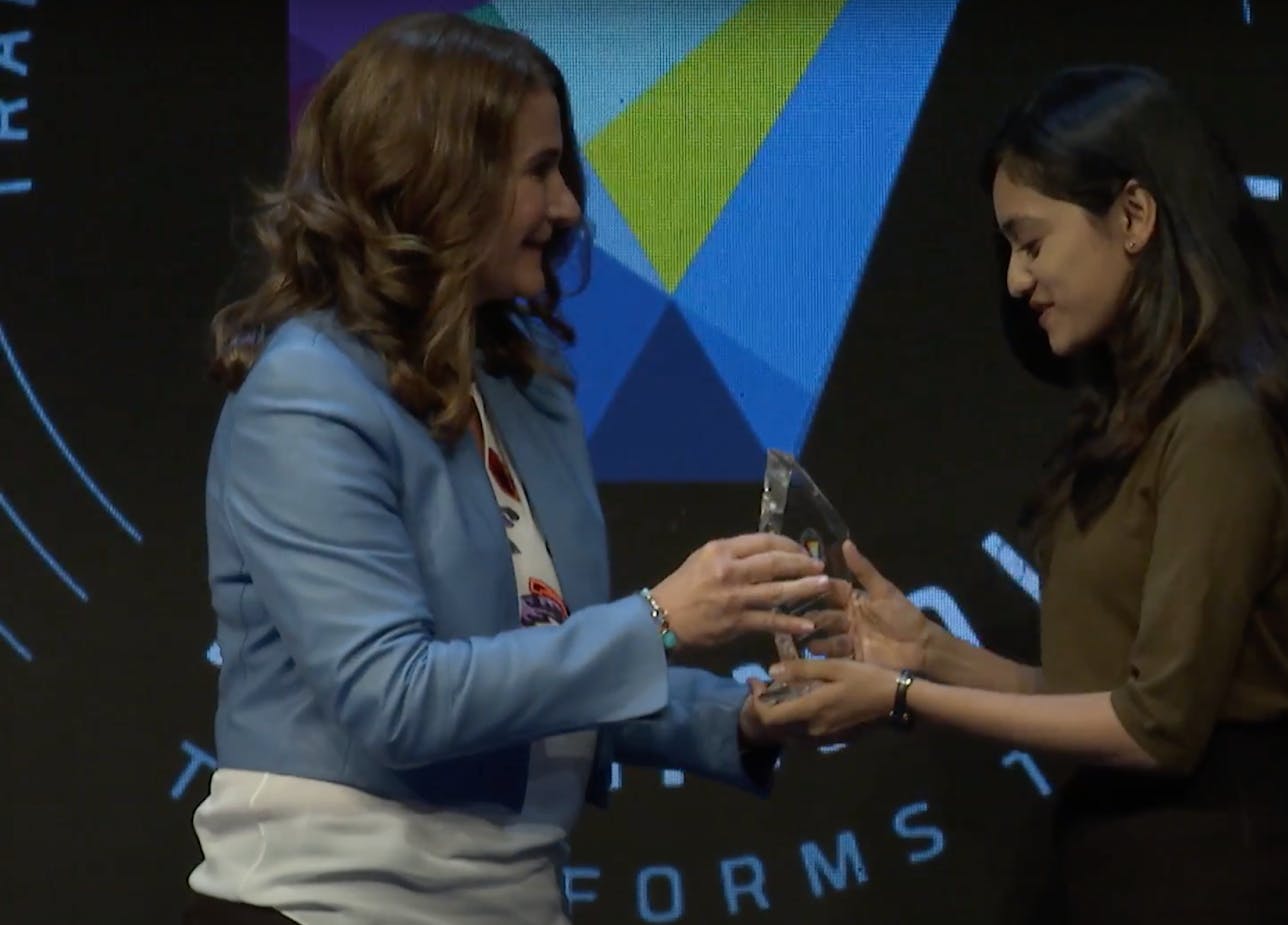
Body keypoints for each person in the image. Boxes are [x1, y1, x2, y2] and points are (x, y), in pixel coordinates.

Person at [182, 13, 833, 925]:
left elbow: (536, 679)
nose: (568, 205)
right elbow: (396, 698)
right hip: (323, 903)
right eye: (538, 171)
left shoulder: (527, 392)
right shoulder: (307, 393)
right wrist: (659, 621)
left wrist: (742, 718)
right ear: (435, 179)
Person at [756, 66, 1288, 923]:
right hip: (1128, 871)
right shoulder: (1142, 424)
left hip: (1221, 881)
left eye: (1031, 241)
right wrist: (927, 654)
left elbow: (1156, 728)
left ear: (1134, 216)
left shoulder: (1219, 425)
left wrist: (900, 697)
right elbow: (1100, 697)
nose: (1014, 279)